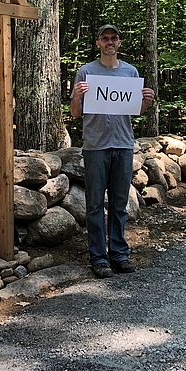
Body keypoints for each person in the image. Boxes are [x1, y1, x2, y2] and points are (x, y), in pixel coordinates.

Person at [70, 25, 155, 278]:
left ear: (119, 42)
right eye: (105, 38)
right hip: (95, 146)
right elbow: (75, 113)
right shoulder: (86, 71)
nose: (110, 42)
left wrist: (147, 101)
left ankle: (119, 254)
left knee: (119, 203)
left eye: (113, 38)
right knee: (95, 204)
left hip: (123, 144)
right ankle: (98, 258)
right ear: (98, 43)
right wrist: (75, 96)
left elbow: (136, 110)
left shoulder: (130, 72)